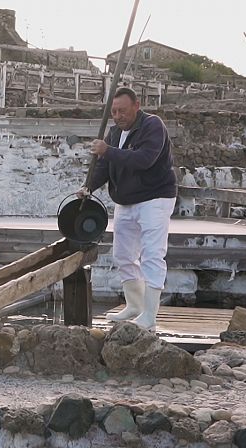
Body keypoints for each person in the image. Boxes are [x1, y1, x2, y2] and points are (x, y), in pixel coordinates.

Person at [77, 87, 177, 332]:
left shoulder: (152, 126)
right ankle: (134, 304)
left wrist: (107, 151)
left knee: (152, 254)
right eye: (113, 111)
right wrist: (88, 186)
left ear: (137, 105)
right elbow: (104, 167)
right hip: (126, 200)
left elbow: (144, 160)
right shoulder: (113, 133)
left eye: (122, 110)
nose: (118, 115)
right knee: (122, 254)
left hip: (155, 197)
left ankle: (150, 315)